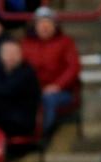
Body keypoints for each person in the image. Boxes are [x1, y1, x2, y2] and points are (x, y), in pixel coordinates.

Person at [20, 7, 80, 135]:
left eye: (48, 23)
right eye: (41, 23)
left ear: (55, 25)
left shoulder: (65, 42)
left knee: (48, 99)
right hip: (33, 90)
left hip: (61, 91)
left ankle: (43, 135)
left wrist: (58, 85)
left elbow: (74, 67)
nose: (44, 27)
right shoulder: (25, 43)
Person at [0, 39, 41, 139]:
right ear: (1, 55)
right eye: (7, 53)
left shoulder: (27, 73)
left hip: (19, 119)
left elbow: (8, 90)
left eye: (15, 53)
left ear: (21, 54)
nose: (11, 56)